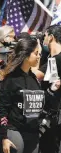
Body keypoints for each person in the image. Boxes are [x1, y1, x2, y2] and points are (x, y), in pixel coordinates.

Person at [0, 37, 60, 153]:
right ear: (26, 55)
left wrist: (52, 89)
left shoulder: (34, 79)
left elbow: (40, 101)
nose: (39, 56)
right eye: (36, 53)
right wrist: (4, 137)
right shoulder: (11, 80)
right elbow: (2, 110)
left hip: (33, 133)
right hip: (15, 131)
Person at [38, 25, 61, 153]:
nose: (43, 39)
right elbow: (47, 80)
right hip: (50, 116)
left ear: (51, 37)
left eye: (45, 36)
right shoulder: (52, 59)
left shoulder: (58, 59)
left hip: (56, 117)